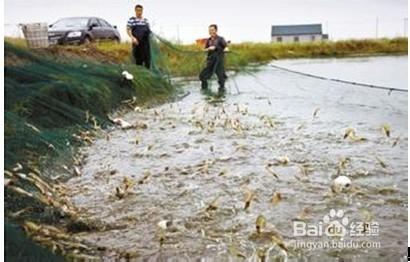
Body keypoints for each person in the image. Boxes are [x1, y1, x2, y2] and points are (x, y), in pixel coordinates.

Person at [199, 24, 228, 92]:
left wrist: (223, 49)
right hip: (210, 61)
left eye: (212, 30)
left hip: (219, 62)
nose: (211, 31)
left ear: (216, 30)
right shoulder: (208, 40)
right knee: (202, 76)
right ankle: (205, 91)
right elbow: (205, 49)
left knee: (221, 79)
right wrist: (208, 48)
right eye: (209, 30)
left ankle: (221, 95)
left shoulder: (220, 39)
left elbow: (225, 47)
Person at [126, 4, 151, 69]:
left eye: (140, 11)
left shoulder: (145, 20)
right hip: (136, 43)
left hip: (145, 44)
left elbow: (148, 31)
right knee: (138, 60)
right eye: (138, 10)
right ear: (135, 11)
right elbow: (128, 30)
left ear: (142, 11)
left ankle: (147, 74)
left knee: (147, 60)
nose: (139, 12)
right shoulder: (132, 20)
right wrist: (132, 38)